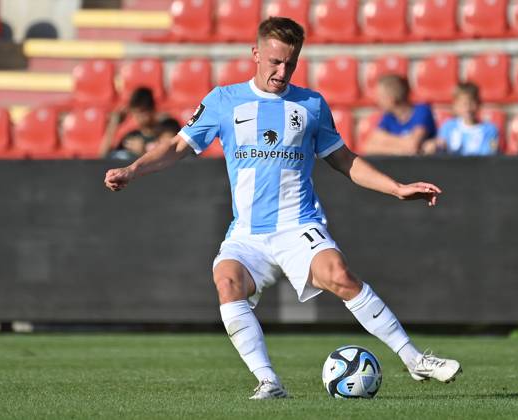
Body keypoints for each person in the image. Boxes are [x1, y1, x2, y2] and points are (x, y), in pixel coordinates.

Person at [104, 17, 461, 400]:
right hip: (248, 233)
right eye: (275, 61)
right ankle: (269, 382)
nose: (282, 70)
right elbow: (176, 147)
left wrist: (396, 188)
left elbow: (343, 159)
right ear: (256, 54)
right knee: (226, 281)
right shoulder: (223, 101)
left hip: (298, 225)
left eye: (290, 63)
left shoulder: (311, 104)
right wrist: (133, 169)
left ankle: (415, 360)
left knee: (339, 275)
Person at [363, 74, 436, 156]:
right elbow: (368, 147)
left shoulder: (422, 110)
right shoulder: (388, 117)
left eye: (381, 96)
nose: (377, 100)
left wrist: (384, 139)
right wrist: (398, 151)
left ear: (391, 99)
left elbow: (413, 145)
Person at [423, 82, 499, 156]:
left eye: (472, 102)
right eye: (463, 103)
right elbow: (441, 148)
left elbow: (488, 156)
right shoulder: (448, 127)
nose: (468, 107)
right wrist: (434, 146)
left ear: (479, 103)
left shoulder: (489, 129)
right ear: (455, 106)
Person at [100, 87, 160, 159]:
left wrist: (143, 152)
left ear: (152, 109)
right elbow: (104, 158)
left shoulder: (165, 133)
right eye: (135, 113)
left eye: (142, 112)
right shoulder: (131, 137)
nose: (138, 117)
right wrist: (113, 124)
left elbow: (169, 162)